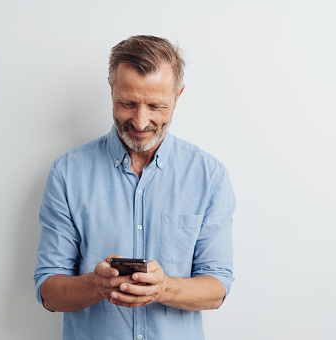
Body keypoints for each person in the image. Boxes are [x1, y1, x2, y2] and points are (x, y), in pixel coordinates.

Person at [34, 35, 236, 339]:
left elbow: (217, 289)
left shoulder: (209, 175)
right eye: (128, 103)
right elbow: (49, 291)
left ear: (178, 96)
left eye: (156, 106)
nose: (141, 122)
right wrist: (95, 285)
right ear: (111, 89)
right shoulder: (67, 173)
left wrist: (165, 288)